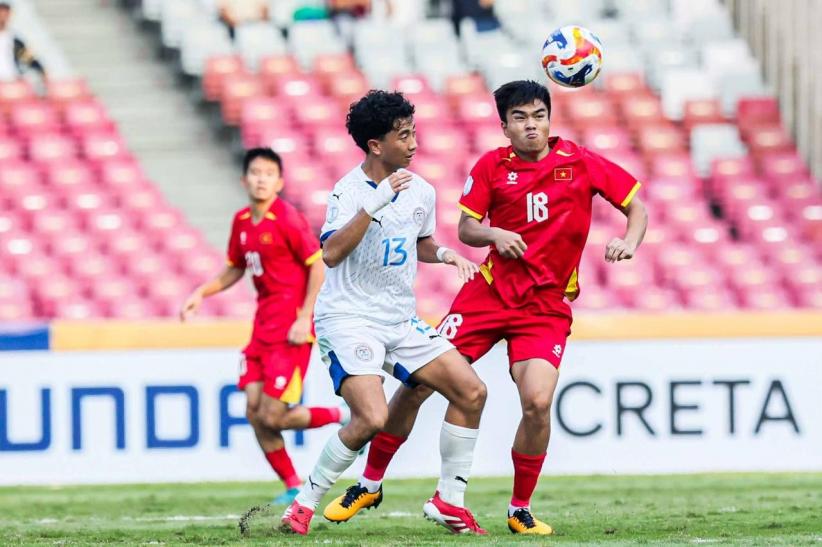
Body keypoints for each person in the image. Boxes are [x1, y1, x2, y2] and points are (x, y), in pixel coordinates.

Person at [326, 80, 649, 535]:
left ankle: (519, 508)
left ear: (549, 118)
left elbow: (636, 207)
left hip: (545, 305)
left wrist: (628, 240)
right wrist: (495, 234)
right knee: (419, 383)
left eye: (538, 115)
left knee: (537, 401)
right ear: (505, 126)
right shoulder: (492, 166)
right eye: (520, 118)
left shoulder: (580, 161)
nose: (531, 125)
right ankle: (370, 481)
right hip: (489, 293)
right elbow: (466, 229)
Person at [279, 90, 488, 536]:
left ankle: (449, 501)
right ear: (376, 145)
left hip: (398, 319)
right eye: (404, 135)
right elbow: (331, 253)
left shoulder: (422, 190)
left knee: (471, 392)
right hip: (349, 318)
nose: (413, 143)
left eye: (413, 132)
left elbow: (420, 242)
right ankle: (305, 501)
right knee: (371, 418)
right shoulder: (348, 190)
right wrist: (372, 204)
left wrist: (447, 254)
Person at [180, 148, 348, 505]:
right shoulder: (242, 221)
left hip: (291, 328)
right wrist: (201, 292)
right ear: (244, 180)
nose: (261, 178)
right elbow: (235, 268)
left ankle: (345, 416)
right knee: (255, 413)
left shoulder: (287, 218)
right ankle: (291, 485)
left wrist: (305, 317)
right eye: (255, 172)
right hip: (262, 328)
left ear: (279, 181)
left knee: (273, 414)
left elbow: (317, 266)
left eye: (268, 173)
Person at [0, 1, 47, 82]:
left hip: (11, 80)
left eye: (6, 13)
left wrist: (41, 70)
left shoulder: (15, 40)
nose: (4, 16)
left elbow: (27, 57)